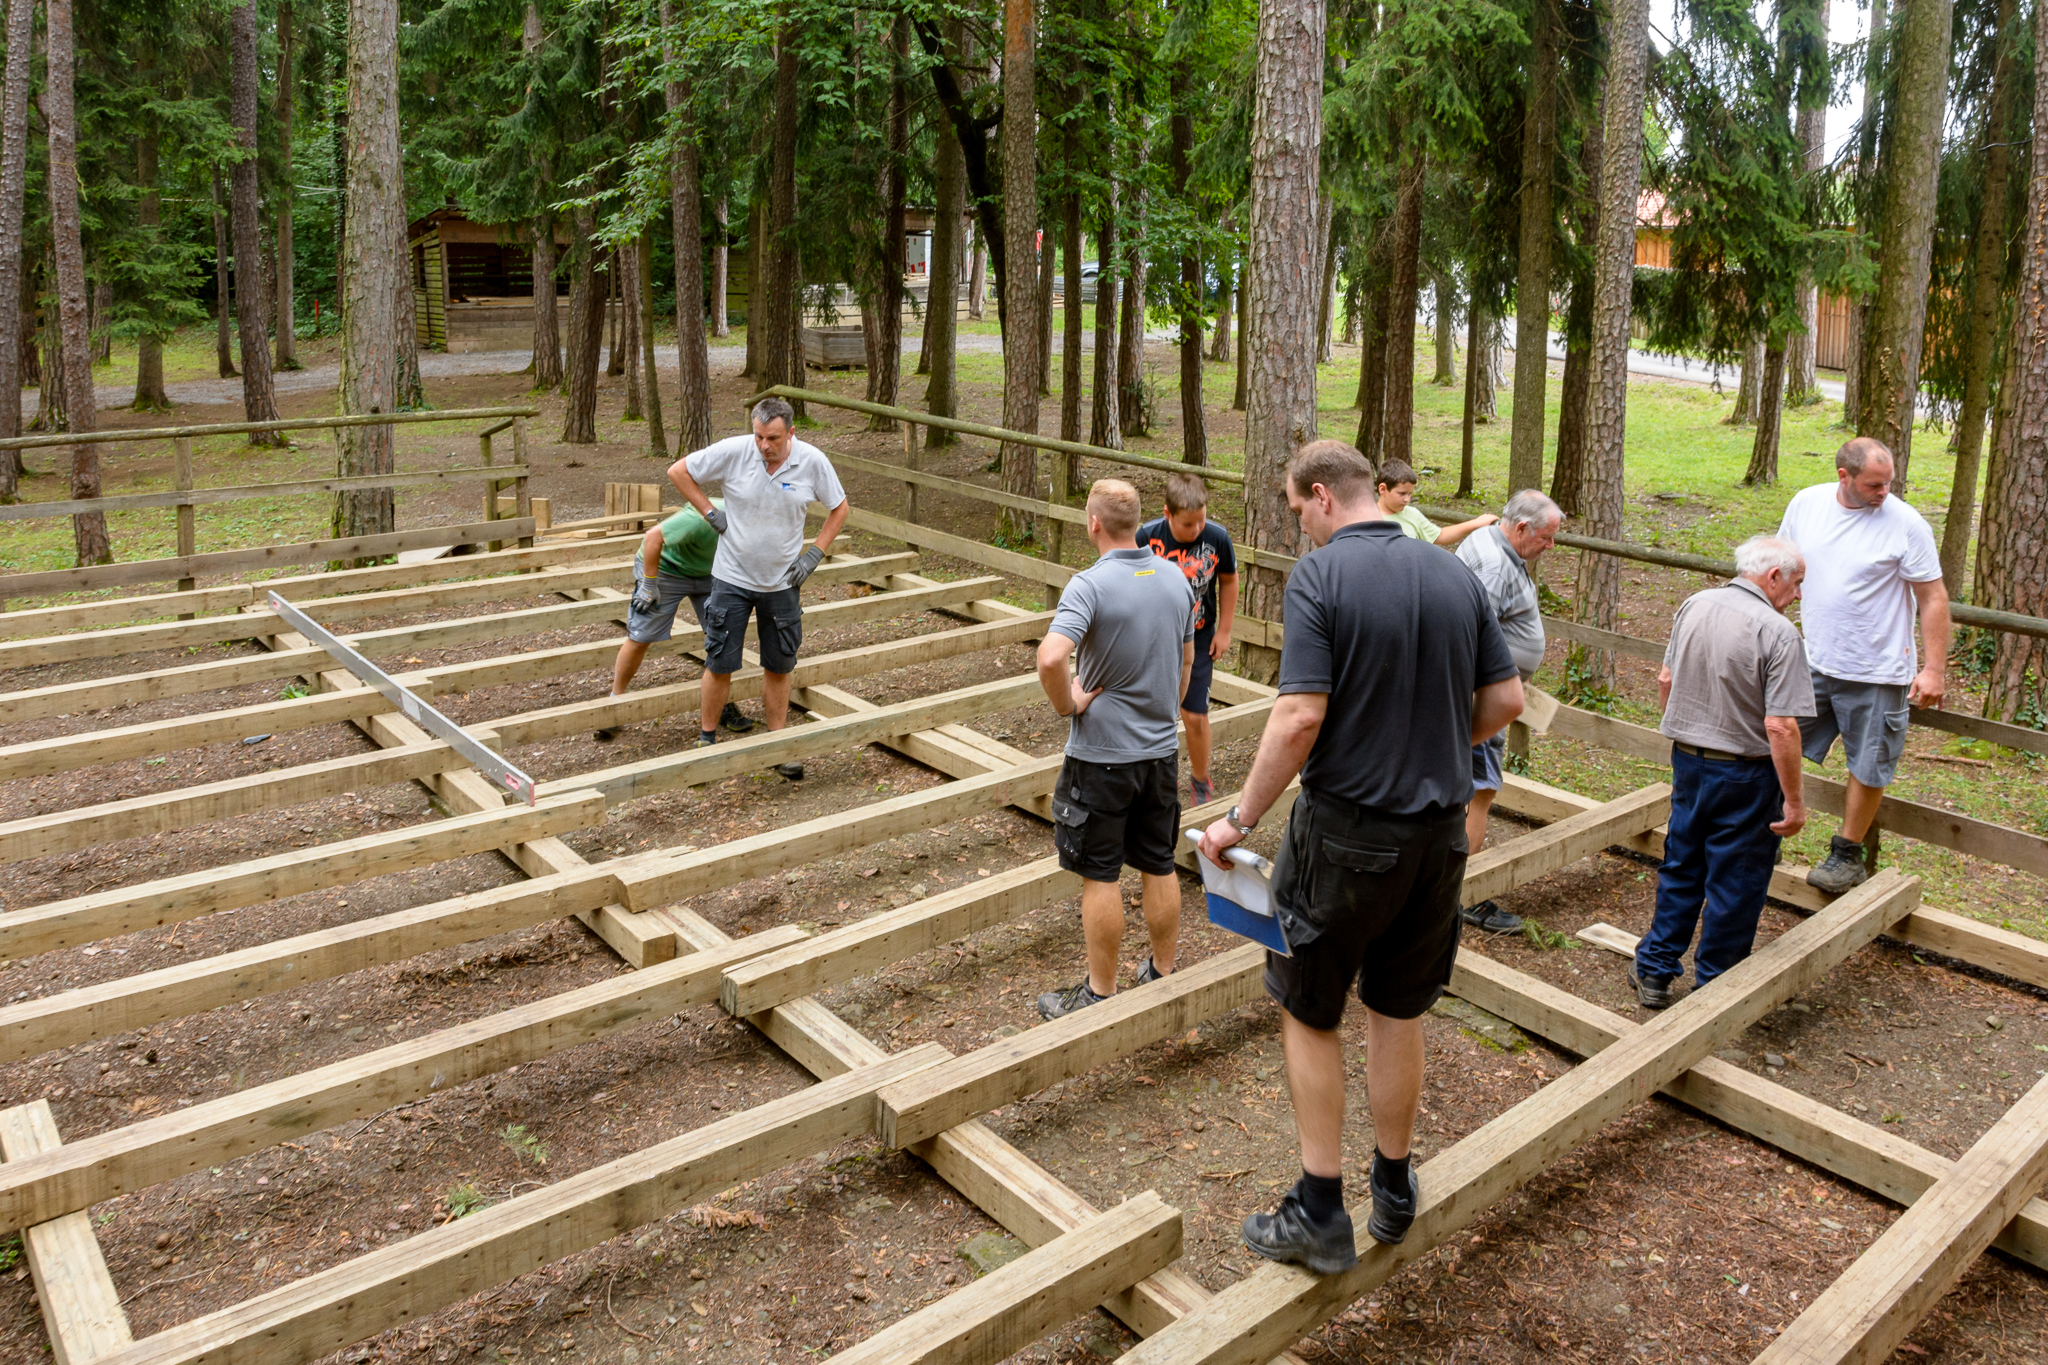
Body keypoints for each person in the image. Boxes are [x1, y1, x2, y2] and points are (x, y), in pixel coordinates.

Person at [1200, 440, 1522, 1275]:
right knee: (1398, 1007)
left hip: (1348, 833)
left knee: (1309, 1005)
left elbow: (1300, 715)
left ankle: (1319, 1208)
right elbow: (1506, 699)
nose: (1297, 526)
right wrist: (1434, 742)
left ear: (1320, 496)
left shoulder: (1322, 576)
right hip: (1440, 837)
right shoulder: (1453, 574)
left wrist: (1238, 818)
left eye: (1294, 509)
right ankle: (1393, 1181)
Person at [1629, 535, 1814, 1010]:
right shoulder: (1778, 633)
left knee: (1682, 863)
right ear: (1774, 576)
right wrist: (1794, 802)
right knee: (1737, 881)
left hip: (1689, 761)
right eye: (1796, 584)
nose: (1797, 595)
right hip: (1747, 775)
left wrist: (1687, 731)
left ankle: (1654, 969)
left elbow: (1666, 679)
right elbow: (1781, 725)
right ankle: (1715, 987)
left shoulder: (1695, 604)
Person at [1036, 478, 1197, 1021]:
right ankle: (1162, 973)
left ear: (1094, 523)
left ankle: (1099, 993)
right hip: (1160, 753)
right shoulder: (1175, 578)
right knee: (1158, 863)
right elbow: (1187, 661)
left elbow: (1051, 658)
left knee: (1100, 874)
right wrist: (1166, 710)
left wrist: (1070, 703)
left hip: (1101, 757)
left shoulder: (1089, 585)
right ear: (1138, 523)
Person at [1777, 437, 1949, 893]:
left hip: (1878, 669)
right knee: (1775, 738)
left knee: (1869, 763)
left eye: (1889, 482)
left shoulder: (1906, 524)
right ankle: (1768, 829)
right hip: (1815, 658)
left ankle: (1847, 854)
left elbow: (1933, 597)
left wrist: (1934, 669)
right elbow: (1782, 565)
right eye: (1874, 484)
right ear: (1844, 476)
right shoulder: (1807, 504)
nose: (1884, 492)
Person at [668, 396, 850, 780]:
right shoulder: (734, 452)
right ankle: (706, 740)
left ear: (791, 433)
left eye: (773, 438)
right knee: (719, 660)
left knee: (779, 664)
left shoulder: (813, 462)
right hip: (731, 577)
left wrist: (814, 554)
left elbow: (840, 508)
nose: (764, 445)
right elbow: (679, 471)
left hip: (782, 583)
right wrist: (709, 511)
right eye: (759, 436)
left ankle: (776, 746)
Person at [1452, 489, 1562, 934]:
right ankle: (1462, 895)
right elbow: (1470, 636)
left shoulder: (1496, 545)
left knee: (1470, 790)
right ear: (1520, 528)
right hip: (1481, 699)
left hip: (1483, 694)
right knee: (1480, 791)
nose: (1550, 546)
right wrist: (1490, 697)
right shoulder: (1496, 565)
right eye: (1546, 537)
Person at [593, 502, 749, 742]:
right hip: (667, 568)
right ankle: (615, 705)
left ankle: (721, 704)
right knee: (641, 636)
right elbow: (653, 537)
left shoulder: (758, 522)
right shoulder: (704, 516)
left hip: (711, 573)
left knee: (722, 638)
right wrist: (648, 584)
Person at [1139, 472, 1239, 806]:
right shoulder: (1146, 537)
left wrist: (1224, 630)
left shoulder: (1217, 537)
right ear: (1167, 514)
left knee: (1194, 714)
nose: (1196, 529)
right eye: (1187, 524)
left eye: (1201, 520)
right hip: (1154, 637)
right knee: (1150, 708)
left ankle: (1200, 780)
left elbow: (1228, 580)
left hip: (1198, 637)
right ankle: (1146, 775)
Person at [1374, 460, 1498, 549]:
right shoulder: (1369, 517)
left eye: (1410, 494)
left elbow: (1440, 535)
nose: (1407, 499)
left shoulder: (1412, 515)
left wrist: (1476, 523)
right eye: (1402, 494)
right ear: (1383, 489)